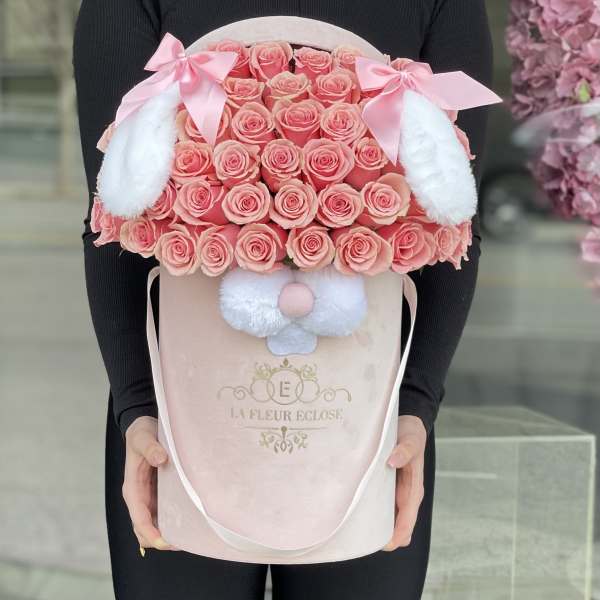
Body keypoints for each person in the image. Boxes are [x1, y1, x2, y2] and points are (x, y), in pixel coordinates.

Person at [73, 1, 493, 598]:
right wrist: (137, 408)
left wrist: (415, 409)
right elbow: (112, 214)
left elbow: (455, 221)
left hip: (366, 421)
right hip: (178, 418)